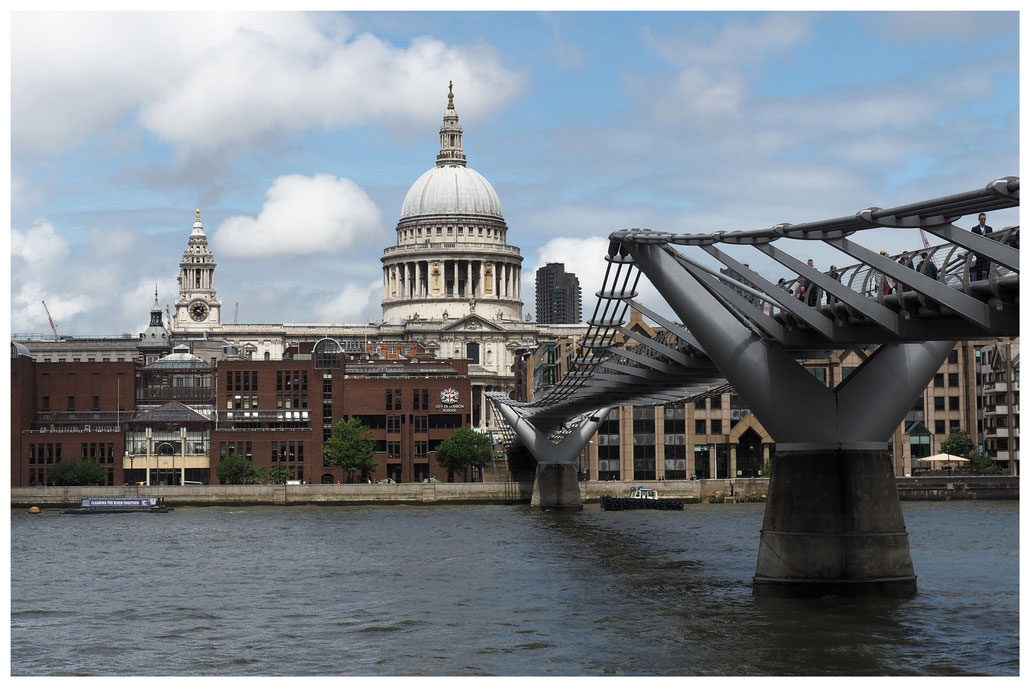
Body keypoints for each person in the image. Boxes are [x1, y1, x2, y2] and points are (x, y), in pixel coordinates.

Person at [971, 212, 993, 281]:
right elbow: (972, 241)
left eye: (984, 219)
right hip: (977, 254)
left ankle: (985, 285)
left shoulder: (989, 229)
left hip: (986, 254)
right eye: (982, 219)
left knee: (985, 272)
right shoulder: (974, 229)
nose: (983, 221)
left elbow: (992, 241)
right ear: (979, 219)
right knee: (976, 271)